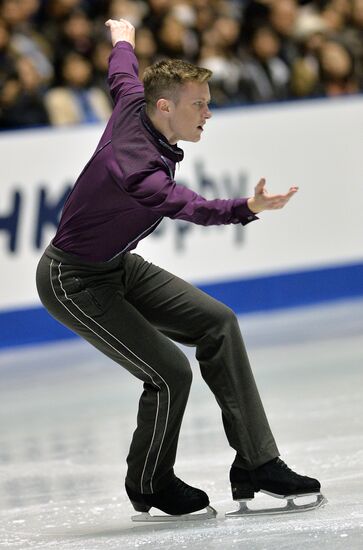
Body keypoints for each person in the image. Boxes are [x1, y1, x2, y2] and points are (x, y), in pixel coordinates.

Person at [36, 18, 323, 520]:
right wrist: (247, 207)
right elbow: (194, 208)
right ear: (165, 106)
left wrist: (122, 37)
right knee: (170, 371)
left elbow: (122, 72)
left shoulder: (134, 102)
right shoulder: (138, 171)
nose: (209, 113)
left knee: (218, 322)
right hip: (72, 280)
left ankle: (257, 463)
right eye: (200, 104)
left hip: (116, 266)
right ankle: (149, 482)